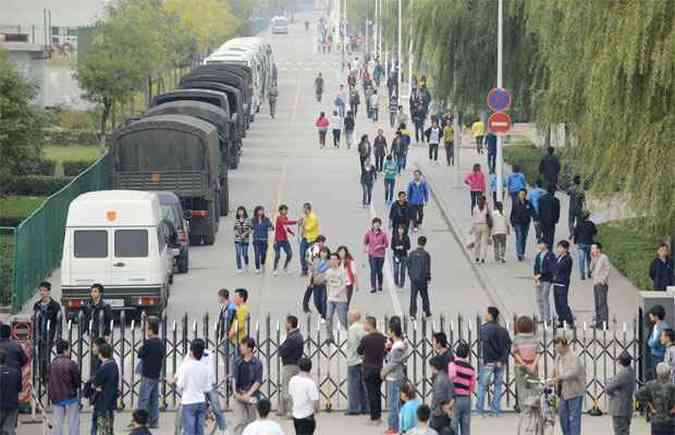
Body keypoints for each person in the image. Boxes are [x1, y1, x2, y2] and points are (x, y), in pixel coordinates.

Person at [475, 306, 511, 417]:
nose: (484, 315)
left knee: (482, 385)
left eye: (486, 313)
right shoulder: (503, 330)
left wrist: (489, 359)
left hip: (488, 361)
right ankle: (495, 410)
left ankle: (480, 410)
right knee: (498, 386)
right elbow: (508, 346)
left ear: (490, 315)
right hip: (500, 362)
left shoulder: (484, 329)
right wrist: (501, 359)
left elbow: (485, 346)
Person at [174, 338, 210, 435]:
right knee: (199, 430)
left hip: (188, 401)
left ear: (191, 352)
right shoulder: (205, 368)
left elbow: (180, 384)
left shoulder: (186, 366)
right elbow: (207, 387)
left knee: (189, 430)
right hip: (201, 401)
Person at [552, 336, 585, 435]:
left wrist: (560, 377)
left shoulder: (573, 357)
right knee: (563, 418)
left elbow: (574, 372)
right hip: (563, 392)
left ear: (565, 346)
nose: (557, 350)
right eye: (555, 348)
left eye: (559, 348)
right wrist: (550, 380)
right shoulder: (558, 357)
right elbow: (554, 370)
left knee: (574, 419)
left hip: (574, 392)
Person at [358, 316, 387, 425]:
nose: (364, 326)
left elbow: (359, 351)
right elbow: (385, 352)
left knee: (371, 394)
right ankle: (378, 416)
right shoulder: (382, 338)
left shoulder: (366, 339)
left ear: (370, 325)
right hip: (379, 368)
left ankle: (374, 418)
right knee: (377, 392)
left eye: (365, 324)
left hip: (368, 369)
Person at [135, 317, 164, 429]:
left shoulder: (148, 343)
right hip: (156, 375)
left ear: (151, 330)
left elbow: (140, 353)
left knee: (143, 399)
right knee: (154, 399)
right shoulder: (160, 343)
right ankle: (154, 420)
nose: (145, 330)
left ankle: (140, 422)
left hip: (147, 375)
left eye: (146, 328)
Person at [48, 340, 81, 435]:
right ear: (65, 350)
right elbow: (77, 380)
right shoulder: (71, 363)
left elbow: (49, 380)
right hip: (71, 397)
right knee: (73, 422)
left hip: (56, 398)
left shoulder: (52, 364)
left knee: (58, 423)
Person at [381, 317, 407, 434]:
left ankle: (394, 427)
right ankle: (398, 426)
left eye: (389, 330)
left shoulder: (398, 346)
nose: (387, 332)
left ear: (393, 332)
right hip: (395, 376)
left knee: (394, 404)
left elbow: (394, 363)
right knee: (396, 403)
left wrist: (383, 371)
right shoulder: (395, 345)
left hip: (395, 377)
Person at [233, 337, 263, 435]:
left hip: (252, 396)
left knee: (251, 422)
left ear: (249, 348)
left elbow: (258, 381)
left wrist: (248, 394)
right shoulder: (237, 361)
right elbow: (234, 378)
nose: (240, 347)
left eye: (243, 345)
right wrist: (235, 392)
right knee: (239, 421)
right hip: (239, 394)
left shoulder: (257, 363)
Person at [33, 281, 61, 382]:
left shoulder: (55, 305)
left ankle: (46, 377)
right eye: (40, 290)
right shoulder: (37, 305)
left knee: (46, 356)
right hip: (39, 334)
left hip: (49, 335)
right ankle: (41, 375)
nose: (42, 293)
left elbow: (59, 321)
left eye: (44, 290)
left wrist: (57, 336)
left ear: (49, 291)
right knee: (40, 356)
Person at [511, 317, 541, 411]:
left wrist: (524, 363)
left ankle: (524, 408)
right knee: (534, 386)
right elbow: (538, 353)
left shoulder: (517, 338)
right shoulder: (535, 338)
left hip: (520, 367)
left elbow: (515, 353)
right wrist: (532, 365)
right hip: (533, 366)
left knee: (521, 388)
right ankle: (535, 406)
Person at [637, 362, 675, 435]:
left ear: (657, 373)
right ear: (669, 373)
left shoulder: (650, 385)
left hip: (656, 420)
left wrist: (649, 406)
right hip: (671, 421)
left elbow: (638, 394)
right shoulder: (672, 387)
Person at [277, 315, 303, 418]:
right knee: (286, 387)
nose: (284, 324)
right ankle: (282, 409)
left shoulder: (292, 337)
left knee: (288, 389)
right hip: (294, 364)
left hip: (290, 365)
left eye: (286, 322)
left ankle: (290, 411)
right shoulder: (297, 335)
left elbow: (282, 351)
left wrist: (281, 348)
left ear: (290, 324)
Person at [448, 341, 475, 435]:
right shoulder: (471, 369)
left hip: (455, 399)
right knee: (466, 426)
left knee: (453, 425)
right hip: (466, 399)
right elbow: (472, 386)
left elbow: (450, 379)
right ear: (467, 354)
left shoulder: (452, 364)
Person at [605, 351, 635, 435]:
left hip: (620, 409)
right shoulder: (631, 371)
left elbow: (608, 388)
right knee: (624, 431)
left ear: (620, 362)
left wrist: (609, 383)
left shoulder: (623, 373)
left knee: (620, 431)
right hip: (627, 407)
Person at [93, 342, 119, 435]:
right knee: (110, 425)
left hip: (103, 401)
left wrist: (97, 387)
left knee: (103, 427)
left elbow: (95, 382)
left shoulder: (104, 367)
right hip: (112, 399)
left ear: (100, 354)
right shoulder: (114, 365)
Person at [346, 310, 368, 416]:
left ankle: (354, 408)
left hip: (353, 360)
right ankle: (365, 407)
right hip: (363, 360)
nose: (348, 318)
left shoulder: (352, 329)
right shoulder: (364, 327)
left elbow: (351, 344)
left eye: (349, 316)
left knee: (353, 386)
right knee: (364, 386)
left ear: (353, 317)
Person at [289, 358, 319, 435]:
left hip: (296, 415)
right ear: (310, 368)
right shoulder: (310, 383)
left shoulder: (293, 379)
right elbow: (315, 402)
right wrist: (316, 410)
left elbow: (291, 395)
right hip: (307, 416)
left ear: (299, 367)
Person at [325, 253, 349, 341]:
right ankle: (330, 336)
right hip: (330, 299)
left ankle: (350, 333)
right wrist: (328, 295)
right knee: (328, 317)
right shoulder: (328, 272)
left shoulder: (342, 271)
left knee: (343, 319)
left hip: (341, 299)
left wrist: (337, 292)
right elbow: (327, 284)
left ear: (338, 260)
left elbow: (345, 284)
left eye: (335, 259)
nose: (333, 261)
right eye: (331, 259)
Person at [407, 236, 432, 319]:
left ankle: (412, 314)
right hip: (422, 279)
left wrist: (411, 275)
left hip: (414, 279)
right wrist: (428, 278)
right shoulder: (426, 255)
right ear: (425, 243)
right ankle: (426, 311)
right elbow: (427, 267)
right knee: (424, 296)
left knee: (413, 296)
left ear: (417, 242)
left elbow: (408, 264)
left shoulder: (412, 253)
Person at [303, 247, 330, 320]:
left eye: (325, 252)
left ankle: (324, 316)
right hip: (316, 283)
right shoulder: (315, 261)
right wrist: (310, 281)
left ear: (327, 254)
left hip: (325, 284)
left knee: (323, 300)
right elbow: (311, 272)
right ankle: (321, 312)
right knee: (316, 301)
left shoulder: (329, 262)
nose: (323, 254)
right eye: (322, 252)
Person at [429, 355, 454, 434]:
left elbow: (440, 398)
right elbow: (453, 395)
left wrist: (446, 409)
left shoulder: (439, 379)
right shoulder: (447, 377)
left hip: (438, 413)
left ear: (434, 366)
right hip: (445, 414)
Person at [363, 217, 389, 293]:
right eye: (375, 224)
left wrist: (380, 246)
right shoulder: (369, 233)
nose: (376, 226)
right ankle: (373, 286)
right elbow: (365, 241)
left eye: (378, 224)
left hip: (380, 255)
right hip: (372, 255)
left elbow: (386, 244)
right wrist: (365, 248)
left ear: (380, 225)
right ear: (373, 224)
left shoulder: (383, 234)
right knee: (373, 270)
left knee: (379, 271)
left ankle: (380, 285)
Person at [552, 240, 574, 327]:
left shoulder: (568, 259)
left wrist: (554, 267)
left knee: (563, 303)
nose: (558, 249)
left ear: (565, 249)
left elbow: (559, 268)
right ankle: (561, 320)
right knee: (557, 304)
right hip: (556, 283)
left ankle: (570, 320)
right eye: (558, 247)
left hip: (563, 283)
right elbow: (552, 267)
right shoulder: (558, 257)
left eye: (560, 247)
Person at [0, 349, 22, 435]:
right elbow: (19, 388)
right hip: (12, 405)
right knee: (9, 429)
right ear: (5, 359)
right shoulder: (15, 372)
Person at [533, 241, 556, 322]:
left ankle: (547, 318)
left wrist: (541, 274)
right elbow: (536, 266)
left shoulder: (550, 255)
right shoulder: (538, 255)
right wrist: (536, 276)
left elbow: (550, 268)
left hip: (547, 279)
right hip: (538, 279)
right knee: (539, 298)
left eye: (541, 244)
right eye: (539, 244)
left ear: (546, 245)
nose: (539, 245)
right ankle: (542, 317)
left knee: (544, 297)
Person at [589, 242, 611, 328]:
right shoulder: (594, 258)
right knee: (597, 304)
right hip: (595, 283)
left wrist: (603, 280)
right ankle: (598, 323)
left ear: (598, 249)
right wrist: (592, 259)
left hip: (601, 284)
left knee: (602, 303)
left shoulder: (604, 257)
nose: (592, 250)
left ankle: (604, 323)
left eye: (593, 248)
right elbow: (590, 269)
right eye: (591, 248)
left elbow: (607, 269)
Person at [273, 204, 298, 275]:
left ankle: (285, 267)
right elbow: (284, 222)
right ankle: (275, 269)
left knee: (289, 254)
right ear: (280, 211)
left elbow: (286, 226)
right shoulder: (279, 218)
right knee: (277, 255)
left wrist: (291, 232)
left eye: (286, 210)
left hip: (285, 240)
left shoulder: (286, 217)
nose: (285, 211)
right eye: (283, 210)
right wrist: (296, 222)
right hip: (278, 240)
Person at [648, 305, 671, 380]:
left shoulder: (663, 328)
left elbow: (653, 343)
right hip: (654, 355)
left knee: (658, 378)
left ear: (656, 316)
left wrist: (651, 342)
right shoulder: (656, 326)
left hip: (659, 357)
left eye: (651, 314)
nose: (650, 316)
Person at [572, 210, 596, 280]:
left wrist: (575, 242)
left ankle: (582, 275)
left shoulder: (578, 224)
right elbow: (594, 232)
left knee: (581, 260)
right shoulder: (591, 224)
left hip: (581, 244)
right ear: (588, 217)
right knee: (589, 259)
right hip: (589, 243)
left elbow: (575, 234)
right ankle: (589, 273)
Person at [510, 189, 533, 261]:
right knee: (519, 238)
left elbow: (532, 211)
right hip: (517, 223)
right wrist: (512, 224)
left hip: (526, 223)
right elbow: (512, 214)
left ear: (526, 195)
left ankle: (522, 253)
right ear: (518, 195)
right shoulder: (515, 203)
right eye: (521, 194)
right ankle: (519, 254)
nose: (522, 195)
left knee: (524, 238)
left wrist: (536, 219)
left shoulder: (528, 203)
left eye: (523, 194)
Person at [250, 206, 273, 274]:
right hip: (256, 240)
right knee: (257, 254)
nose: (261, 212)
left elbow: (271, 226)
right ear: (256, 212)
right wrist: (250, 230)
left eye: (262, 211)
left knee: (263, 254)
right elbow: (250, 228)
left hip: (264, 240)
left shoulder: (266, 219)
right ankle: (257, 268)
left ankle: (262, 263)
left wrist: (270, 228)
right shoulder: (253, 220)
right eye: (259, 211)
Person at [299, 203, 320, 276]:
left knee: (311, 256)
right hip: (305, 239)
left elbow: (309, 228)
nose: (303, 210)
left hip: (312, 240)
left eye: (305, 209)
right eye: (303, 208)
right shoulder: (304, 216)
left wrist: (302, 224)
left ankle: (313, 270)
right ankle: (304, 270)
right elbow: (302, 227)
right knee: (302, 255)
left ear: (308, 209)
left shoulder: (313, 218)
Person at [229, 289, 250, 360]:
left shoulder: (242, 309)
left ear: (242, 298)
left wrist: (230, 335)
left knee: (235, 361)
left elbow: (239, 325)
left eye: (236, 296)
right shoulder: (239, 308)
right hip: (235, 340)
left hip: (237, 340)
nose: (234, 298)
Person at [470, 196, 491, 264]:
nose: (480, 202)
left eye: (481, 200)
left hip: (483, 226)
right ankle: (480, 257)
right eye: (480, 200)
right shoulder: (476, 208)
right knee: (479, 243)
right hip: (480, 226)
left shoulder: (480, 208)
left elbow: (489, 218)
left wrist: (472, 228)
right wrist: (472, 228)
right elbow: (474, 218)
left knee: (481, 243)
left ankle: (480, 257)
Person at [392, 224, 411, 289]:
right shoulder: (394, 237)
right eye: (399, 229)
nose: (400, 230)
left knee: (403, 271)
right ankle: (396, 281)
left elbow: (409, 247)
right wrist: (396, 247)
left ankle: (402, 284)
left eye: (402, 229)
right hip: (396, 255)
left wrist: (403, 247)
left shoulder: (406, 237)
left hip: (404, 255)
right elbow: (392, 246)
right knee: (396, 270)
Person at [234, 206, 251, 273]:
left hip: (245, 240)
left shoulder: (247, 220)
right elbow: (235, 229)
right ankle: (239, 267)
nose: (240, 212)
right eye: (239, 211)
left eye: (241, 211)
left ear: (244, 212)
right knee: (238, 253)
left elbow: (250, 229)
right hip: (237, 240)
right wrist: (239, 235)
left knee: (245, 254)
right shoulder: (236, 220)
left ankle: (246, 264)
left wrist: (245, 234)